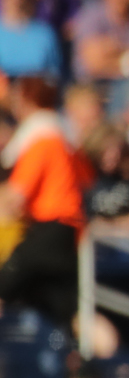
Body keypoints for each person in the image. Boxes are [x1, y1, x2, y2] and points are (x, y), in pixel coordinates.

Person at [0, 77, 90, 327]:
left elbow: (15, 197)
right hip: (71, 233)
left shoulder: (42, 137)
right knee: (69, 312)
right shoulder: (64, 135)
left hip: (50, 228)